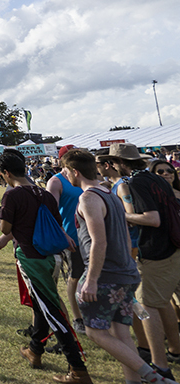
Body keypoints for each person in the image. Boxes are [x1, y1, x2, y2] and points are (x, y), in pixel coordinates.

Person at [62, 149, 177, 384]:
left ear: (74, 171)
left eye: (65, 171)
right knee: (121, 333)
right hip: (124, 272)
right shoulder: (111, 193)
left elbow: (98, 241)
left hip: (104, 275)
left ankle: (153, 377)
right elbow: (125, 236)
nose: (65, 176)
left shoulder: (89, 197)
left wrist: (92, 279)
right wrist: (129, 267)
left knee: (95, 332)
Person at [0, 149, 90, 383]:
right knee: (42, 304)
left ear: (5, 173)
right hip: (51, 257)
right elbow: (56, 222)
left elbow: (5, 229)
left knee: (52, 310)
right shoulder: (43, 192)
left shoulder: (12, 195)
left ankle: (77, 369)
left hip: (30, 257)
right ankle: (35, 350)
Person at [105, 143, 180, 380]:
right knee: (160, 302)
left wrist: (121, 214)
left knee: (147, 307)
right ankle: (174, 350)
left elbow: (152, 219)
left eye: (112, 162)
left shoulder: (135, 182)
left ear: (119, 163)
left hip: (155, 251)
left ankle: (160, 365)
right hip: (167, 248)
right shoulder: (153, 178)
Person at [47, 157, 88, 337]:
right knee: (75, 276)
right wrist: (63, 234)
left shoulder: (82, 175)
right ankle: (78, 318)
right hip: (72, 237)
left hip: (90, 234)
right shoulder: (56, 181)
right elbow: (52, 211)